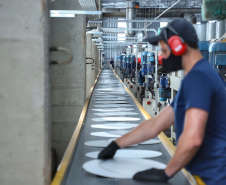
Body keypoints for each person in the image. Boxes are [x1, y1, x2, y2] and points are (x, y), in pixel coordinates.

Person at [98, 18, 226, 185]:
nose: (162, 57)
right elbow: (157, 123)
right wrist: (116, 144)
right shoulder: (195, 76)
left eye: (164, 51)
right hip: (201, 175)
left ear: (178, 46)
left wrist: (166, 172)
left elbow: (193, 138)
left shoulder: (198, 78)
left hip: (212, 179)